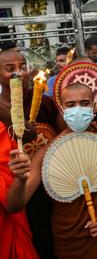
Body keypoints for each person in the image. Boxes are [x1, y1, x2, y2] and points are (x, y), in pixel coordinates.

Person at [8, 82, 97, 258]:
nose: (78, 110)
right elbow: (14, 205)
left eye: (84, 103)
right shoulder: (47, 153)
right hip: (71, 239)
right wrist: (19, 180)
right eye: (70, 105)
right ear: (61, 109)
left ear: (94, 107)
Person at [0, 46, 41, 259]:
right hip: (14, 190)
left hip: (45, 189)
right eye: (9, 69)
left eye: (22, 67)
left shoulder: (42, 99)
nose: (18, 73)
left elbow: (30, 134)